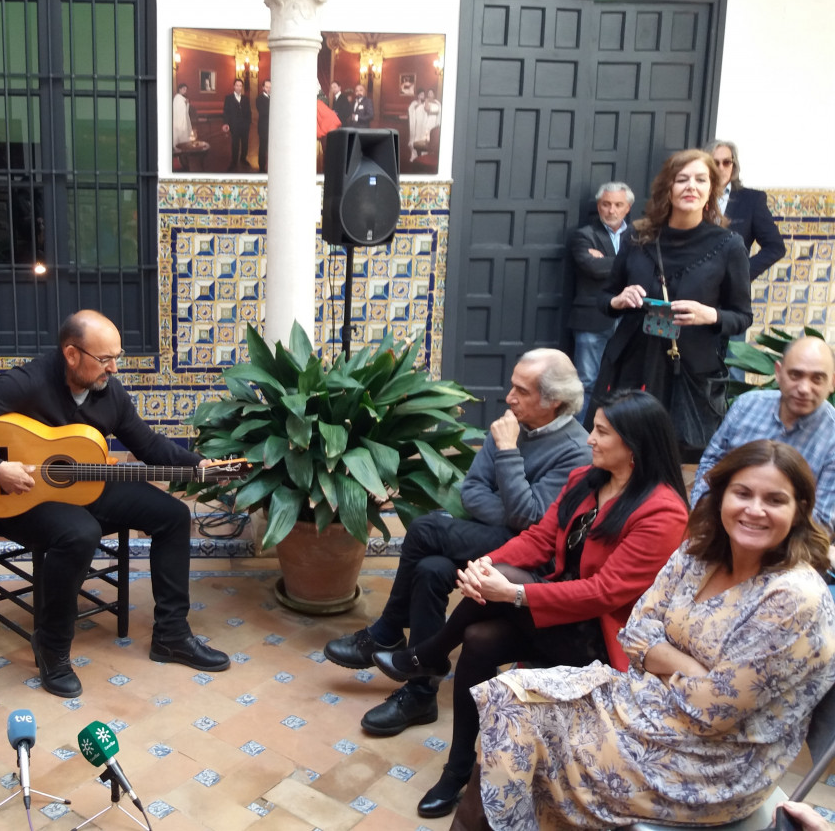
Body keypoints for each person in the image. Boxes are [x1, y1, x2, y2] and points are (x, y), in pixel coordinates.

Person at [461, 440, 835, 830]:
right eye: (742, 493)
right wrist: (692, 667)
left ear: (799, 511)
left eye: (774, 500)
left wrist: (660, 659)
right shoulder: (699, 552)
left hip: (711, 765)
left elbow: (713, 713)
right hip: (643, 708)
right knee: (509, 699)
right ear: (722, 496)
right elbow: (636, 631)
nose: (754, 510)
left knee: (518, 727)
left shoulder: (793, 599)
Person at [373, 389, 688, 819]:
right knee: (480, 639)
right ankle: (458, 769)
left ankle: (428, 655)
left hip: (601, 637)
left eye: (600, 432)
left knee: (506, 590)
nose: (589, 438)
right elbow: (540, 539)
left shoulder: (662, 512)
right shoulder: (585, 480)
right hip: (554, 616)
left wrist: (513, 592)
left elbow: (605, 593)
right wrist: (486, 566)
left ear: (635, 445)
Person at [0, 309, 230, 699]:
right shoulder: (27, 382)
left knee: (172, 515)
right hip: (20, 497)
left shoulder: (109, 392)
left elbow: (148, 444)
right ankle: (52, 646)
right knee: (79, 534)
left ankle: (171, 635)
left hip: (85, 485)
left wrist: (199, 465)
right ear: (72, 355)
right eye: (105, 360)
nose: (114, 369)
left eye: (117, 358)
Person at [323, 349, 591, 736]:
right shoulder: (509, 423)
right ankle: (420, 694)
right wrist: (511, 510)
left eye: (522, 391)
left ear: (554, 402)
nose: (509, 397)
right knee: (431, 570)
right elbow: (473, 491)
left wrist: (509, 453)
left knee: (425, 529)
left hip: (526, 563)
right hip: (499, 536)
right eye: (512, 386)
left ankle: (387, 630)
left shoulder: (575, 450)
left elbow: (533, 523)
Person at [592, 148, 752, 457]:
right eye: (682, 179)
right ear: (668, 188)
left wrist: (710, 315)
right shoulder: (639, 237)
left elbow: (742, 316)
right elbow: (603, 299)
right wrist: (618, 300)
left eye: (700, 180)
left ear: (711, 191)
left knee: (681, 459)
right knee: (623, 452)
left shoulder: (728, 246)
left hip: (689, 370)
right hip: (633, 365)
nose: (691, 186)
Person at [692, 336, 835, 529]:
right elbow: (711, 464)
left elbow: (822, 519)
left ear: (832, 382)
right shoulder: (747, 406)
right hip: (722, 526)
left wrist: (758, 533)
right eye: (795, 375)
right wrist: (705, 517)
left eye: (817, 379)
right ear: (778, 372)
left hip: (789, 547)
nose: (804, 388)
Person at [567, 182, 634, 420]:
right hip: (592, 319)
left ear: (628, 208)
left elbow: (647, 270)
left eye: (618, 205)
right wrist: (627, 263)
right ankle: (577, 436)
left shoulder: (639, 235)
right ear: (599, 206)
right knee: (586, 381)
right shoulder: (584, 235)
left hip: (629, 319)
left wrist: (608, 260)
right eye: (606, 204)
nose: (611, 210)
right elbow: (591, 267)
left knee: (623, 383)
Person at [707, 139, 785, 282]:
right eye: (715, 162)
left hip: (730, 291)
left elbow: (775, 247)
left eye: (726, 162)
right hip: (695, 286)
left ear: (734, 165)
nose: (721, 168)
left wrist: (741, 274)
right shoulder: (693, 196)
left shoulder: (751, 200)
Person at [221, 78, 251, 169]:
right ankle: (234, 161)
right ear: (234, 86)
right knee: (235, 144)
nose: (239, 87)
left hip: (245, 125)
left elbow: (249, 112)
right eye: (237, 85)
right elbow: (226, 111)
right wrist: (226, 123)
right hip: (234, 125)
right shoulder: (228, 98)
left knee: (245, 143)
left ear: (242, 87)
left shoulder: (246, 98)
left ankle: (243, 158)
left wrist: (248, 123)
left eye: (240, 86)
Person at [171, 82, 192, 149]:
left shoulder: (182, 98)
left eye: (186, 89)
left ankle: (183, 146)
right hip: (178, 119)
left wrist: (186, 103)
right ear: (179, 89)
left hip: (183, 119)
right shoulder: (177, 98)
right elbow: (177, 109)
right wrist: (185, 103)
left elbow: (185, 110)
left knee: (184, 133)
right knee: (179, 133)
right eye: (183, 89)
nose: (185, 91)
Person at [256, 79, 270, 172]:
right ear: (263, 87)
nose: (269, 89)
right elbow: (263, 112)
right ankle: (261, 167)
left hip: (273, 128)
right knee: (263, 148)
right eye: (267, 87)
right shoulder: (259, 99)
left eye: (270, 87)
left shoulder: (274, 98)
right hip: (264, 127)